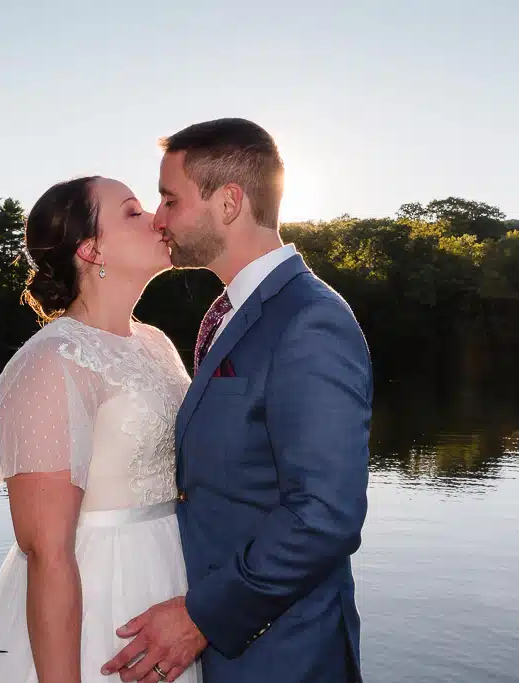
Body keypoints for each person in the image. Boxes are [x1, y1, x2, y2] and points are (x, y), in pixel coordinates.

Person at [101, 118, 373, 683]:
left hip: (284, 656)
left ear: (229, 203)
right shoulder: (234, 313)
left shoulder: (309, 320)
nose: (159, 218)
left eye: (170, 200)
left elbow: (326, 515)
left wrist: (202, 617)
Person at [0, 176, 202, 683]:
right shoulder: (53, 360)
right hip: (99, 595)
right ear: (91, 249)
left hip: (169, 579)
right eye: (132, 212)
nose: (156, 218)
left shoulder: (156, 344)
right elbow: (45, 552)